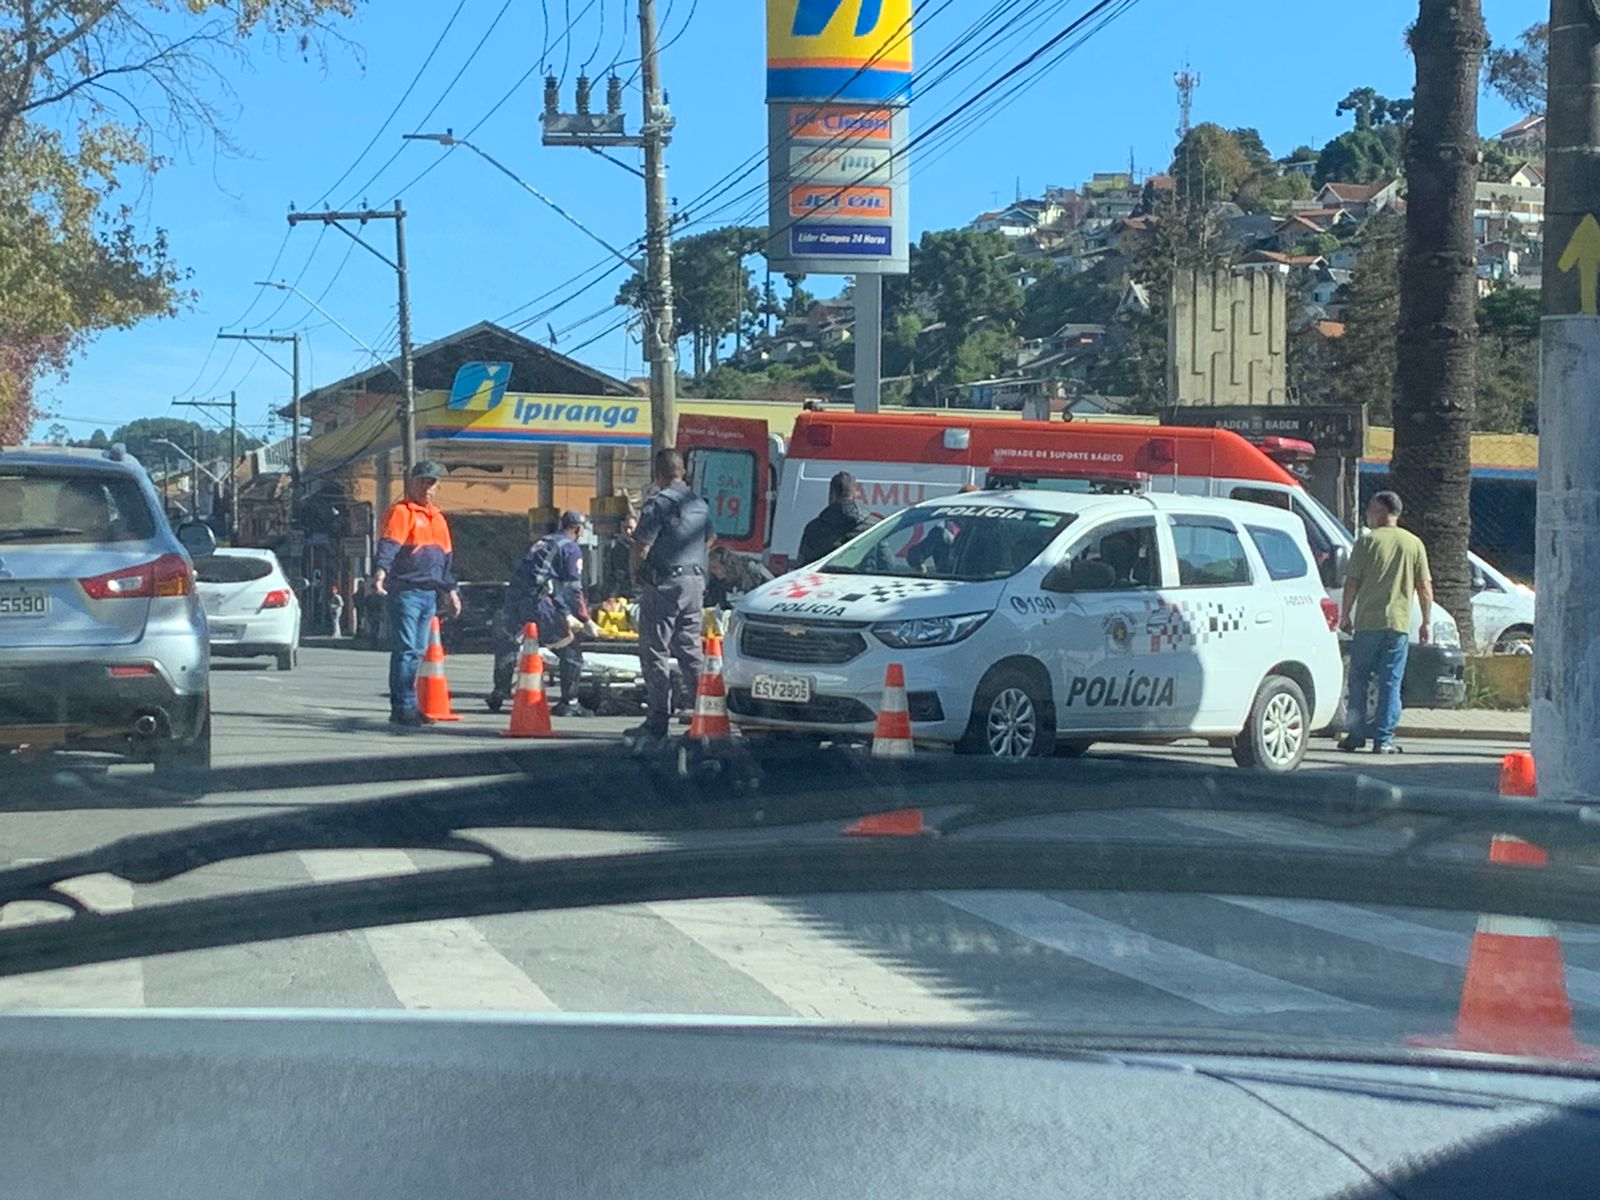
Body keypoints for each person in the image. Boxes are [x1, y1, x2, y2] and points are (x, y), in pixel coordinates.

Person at [627, 449, 712, 750]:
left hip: (664, 584)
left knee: (654, 650)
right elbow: (710, 539)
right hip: (695, 582)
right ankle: (710, 716)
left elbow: (642, 545)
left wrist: (636, 575)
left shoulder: (659, 503)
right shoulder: (699, 504)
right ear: (684, 473)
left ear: (658, 474)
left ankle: (658, 719)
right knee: (690, 649)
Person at [1339, 490, 1434, 755]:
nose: (1368, 513)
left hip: (1368, 623)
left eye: (1371, 508)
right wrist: (1426, 622)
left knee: (1358, 679)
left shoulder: (1367, 543)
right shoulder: (1414, 544)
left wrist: (1345, 614)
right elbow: (1425, 587)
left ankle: (1355, 734)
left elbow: (1352, 583)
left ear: (1382, 510)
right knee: (1390, 682)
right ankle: (1383, 740)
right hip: (1398, 626)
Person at [372, 461, 462, 728]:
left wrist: (451, 591)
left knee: (418, 651)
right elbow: (389, 545)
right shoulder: (401, 512)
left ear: (437, 486)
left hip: (429, 594)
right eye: (422, 480)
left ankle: (408, 706)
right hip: (406, 592)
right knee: (407, 650)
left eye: (431, 482)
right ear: (411, 482)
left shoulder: (439, 519)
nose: (427, 487)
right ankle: (404, 707)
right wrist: (379, 573)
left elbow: (446, 563)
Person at [494, 510, 598, 717]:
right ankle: (569, 702)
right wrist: (584, 619)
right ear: (577, 529)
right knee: (571, 652)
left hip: (515, 600)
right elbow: (572, 588)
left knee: (510, 644)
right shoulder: (570, 548)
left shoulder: (543, 542)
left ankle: (499, 691)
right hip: (539, 603)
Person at [796, 472, 874, 565]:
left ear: (831, 495)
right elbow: (886, 563)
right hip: (863, 579)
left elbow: (804, 565)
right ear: (854, 494)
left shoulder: (814, 528)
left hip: (824, 579)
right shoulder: (873, 528)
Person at [707, 545, 774, 609]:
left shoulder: (751, 569)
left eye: (715, 567)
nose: (713, 571)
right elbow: (709, 603)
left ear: (726, 564)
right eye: (711, 568)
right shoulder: (715, 581)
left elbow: (773, 584)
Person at [601, 513, 638, 600]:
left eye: (631, 528)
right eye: (625, 528)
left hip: (643, 595)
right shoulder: (615, 552)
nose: (628, 531)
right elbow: (610, 577)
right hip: (623, 595)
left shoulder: (646, 548)